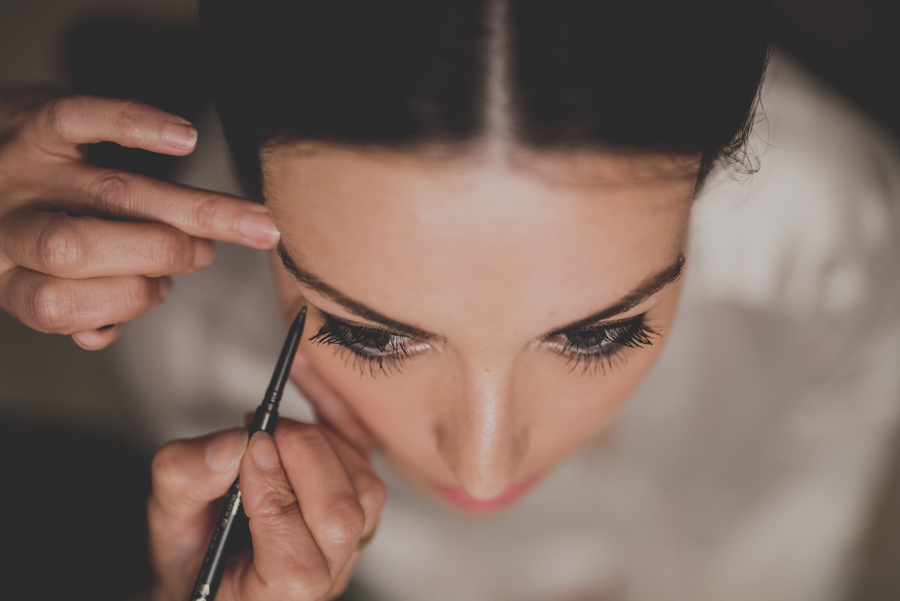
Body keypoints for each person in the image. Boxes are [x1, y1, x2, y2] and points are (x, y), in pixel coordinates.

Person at [2, 1, 899, 600]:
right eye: (371, 334)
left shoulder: (832, 229)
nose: (481, 468)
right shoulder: (190, 334)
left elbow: (823, 471)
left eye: (600, 331)